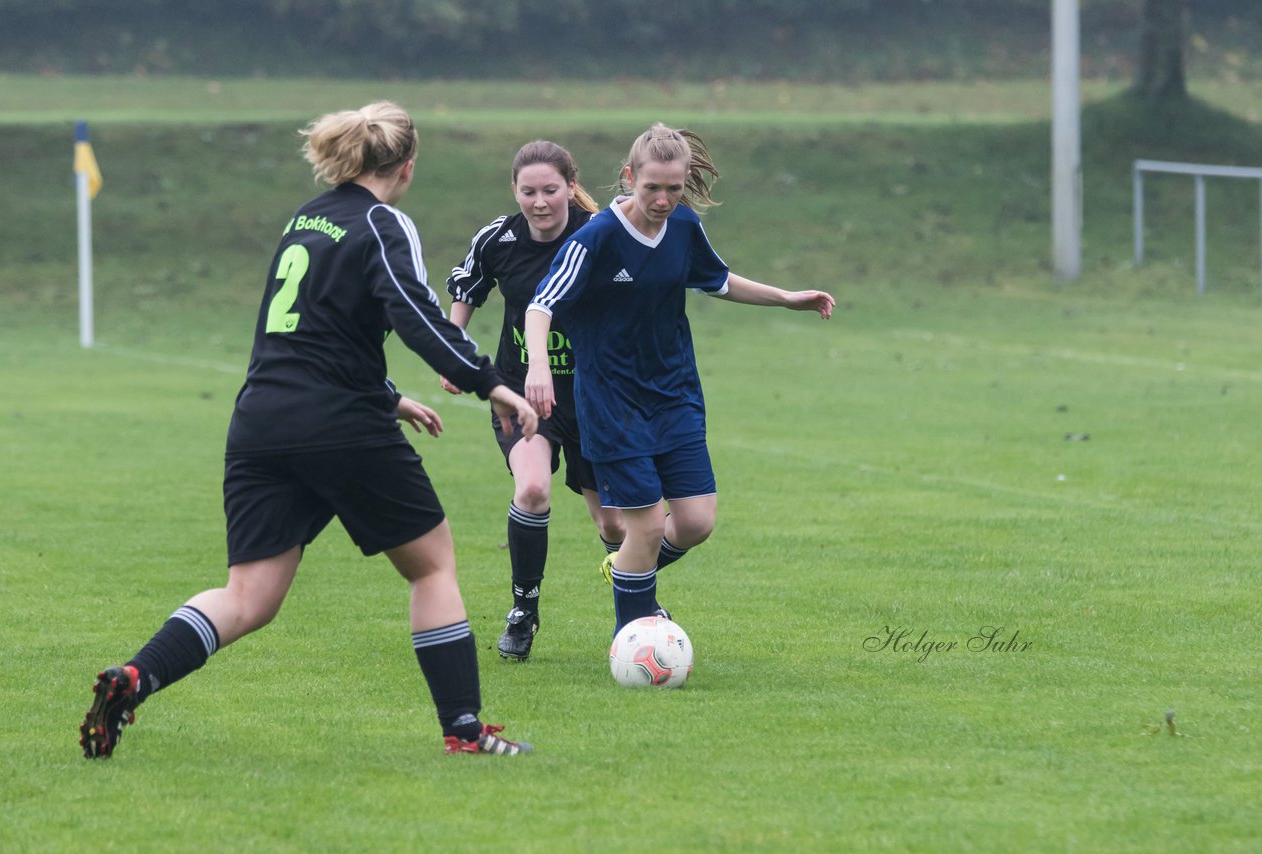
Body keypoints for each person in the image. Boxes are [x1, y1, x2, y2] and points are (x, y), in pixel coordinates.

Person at [79, 101, 536, 759]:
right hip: (338, 424)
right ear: (407, 166)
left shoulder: (307, 218)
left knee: (249, 596)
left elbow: (303, 327)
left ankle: (135, 677)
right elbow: (417, 315)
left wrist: (386, 396)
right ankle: (464, 732)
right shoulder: (385, 221)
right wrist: (490, 382)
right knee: (432, 565)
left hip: (263, 419)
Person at [524, 123, 835, 633]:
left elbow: (718, 280)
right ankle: (634, 635)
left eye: (674, 187)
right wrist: (538, 366)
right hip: (612, 402)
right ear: (629, 177)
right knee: (644, 528)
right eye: (653, 188)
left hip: (675, 396)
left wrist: (786, 297)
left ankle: (626, 569)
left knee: (695, 523)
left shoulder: (685, 226)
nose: (665, 199)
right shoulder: (596, 238)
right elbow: (541, 305)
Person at [443, 140, 625, 661]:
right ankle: (523, 611)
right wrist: (454, 356)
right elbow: (466, 290)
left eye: (550, 190)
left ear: (571, 186)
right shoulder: (497, 239)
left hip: (593, 396)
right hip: (521, 393)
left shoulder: (599, 236)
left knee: (612, 525)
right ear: (514, 191)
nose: (539, 202)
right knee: (531, 490)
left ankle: (635, 606)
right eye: (529, 192)